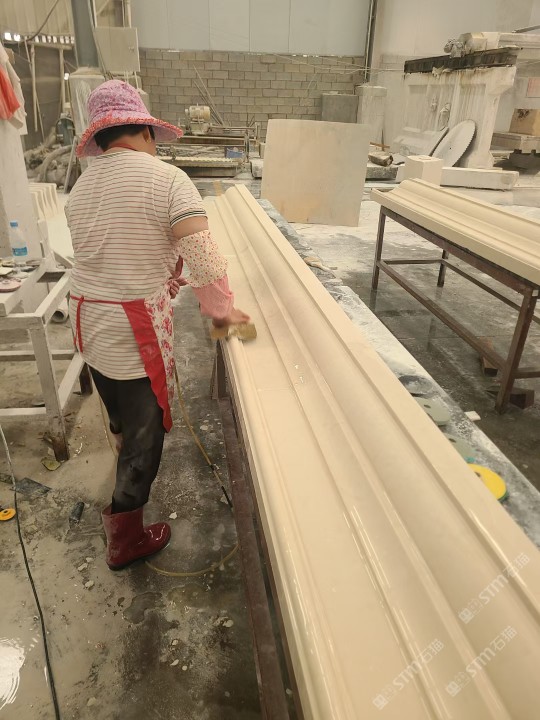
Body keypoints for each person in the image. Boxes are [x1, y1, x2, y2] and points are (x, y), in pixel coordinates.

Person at [66, 79, 249, 570]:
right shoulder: (166, 180)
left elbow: (112, 252)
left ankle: (120, 439)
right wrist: (223, 313)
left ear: (101, 139)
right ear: (145, 132)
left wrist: (160, 273)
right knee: (146, 437)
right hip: (132, 329)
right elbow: (204, 259)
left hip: (87, 320)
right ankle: (125, 539)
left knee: (118, 405)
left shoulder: (82, 187)